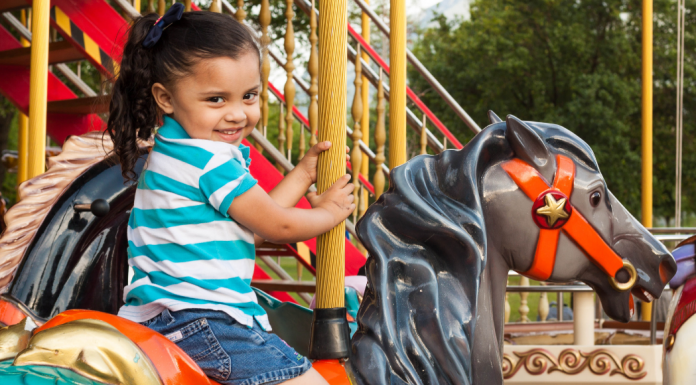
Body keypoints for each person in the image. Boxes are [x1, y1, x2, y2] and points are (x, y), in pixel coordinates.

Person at [107, 5, 352, 384]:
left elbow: (250, 225)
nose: (238, 114)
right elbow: (278, 224)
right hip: (206, 320)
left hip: (167, 317)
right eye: (216, 100)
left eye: (249, 96)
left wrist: (303, 174)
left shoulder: (173, 154)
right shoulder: (209, 162)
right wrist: (331, 214)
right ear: (166, 98)